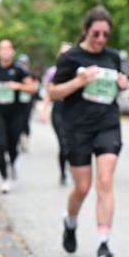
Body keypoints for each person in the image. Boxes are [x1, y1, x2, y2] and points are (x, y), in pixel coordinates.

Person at [48, 6, 128, 257]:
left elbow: (114, 90)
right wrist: (79, 81)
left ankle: (104, 244)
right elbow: (53, 93)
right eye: (96, 34)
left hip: (107, 124)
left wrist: (121, 85)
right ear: (86, 30)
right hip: (77, 128)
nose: (101, 39)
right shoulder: (71, 58)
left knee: (105, 181)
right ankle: (70, 222)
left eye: (106, 34)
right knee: (82, 187)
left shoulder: (113, 57)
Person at [0, 39, 37, 193]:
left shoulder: (19, 70)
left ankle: (12, 162)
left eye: (8, 48)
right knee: (1, 144)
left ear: (13, 52)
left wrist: (17, 85)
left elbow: (32, 88)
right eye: (2, 49)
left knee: (13, 147)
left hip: (16, 113)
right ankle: (4, 179)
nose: (5, 51)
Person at [41, 42, 74, 185]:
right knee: (63, 143)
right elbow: (49, 93)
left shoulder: (79, 72)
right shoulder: (53, 72)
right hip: (59, 110)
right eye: (62, 54)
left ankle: (74, 168)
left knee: (73, 144)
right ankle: (62, 172)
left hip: (74, 111)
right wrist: (44, 111)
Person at [16, 53, 38, 152]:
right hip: (18, 103)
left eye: (24, 63)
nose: (23, 65)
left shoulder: (31, 75)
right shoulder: (16, 74)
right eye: (21, 63)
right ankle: (19, 139)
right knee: (18, 121)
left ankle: (26, 140)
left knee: (26, 121)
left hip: (28, 102)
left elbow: (35, 88)